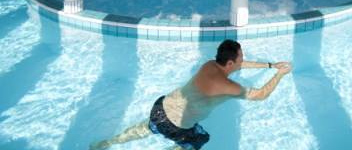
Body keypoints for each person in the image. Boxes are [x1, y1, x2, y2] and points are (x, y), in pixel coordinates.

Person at [90, 40, 291, 150]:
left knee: (147, 127)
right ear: (230, 63)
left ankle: (105, 144)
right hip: (175, 126)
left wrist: (271, 65)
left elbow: (239, 65)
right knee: (199, 139)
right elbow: (262, 94)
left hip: (160, 108)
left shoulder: (210, 65)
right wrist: (280, 74)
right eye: (241, 58)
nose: (243, 61)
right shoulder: (230, 87)